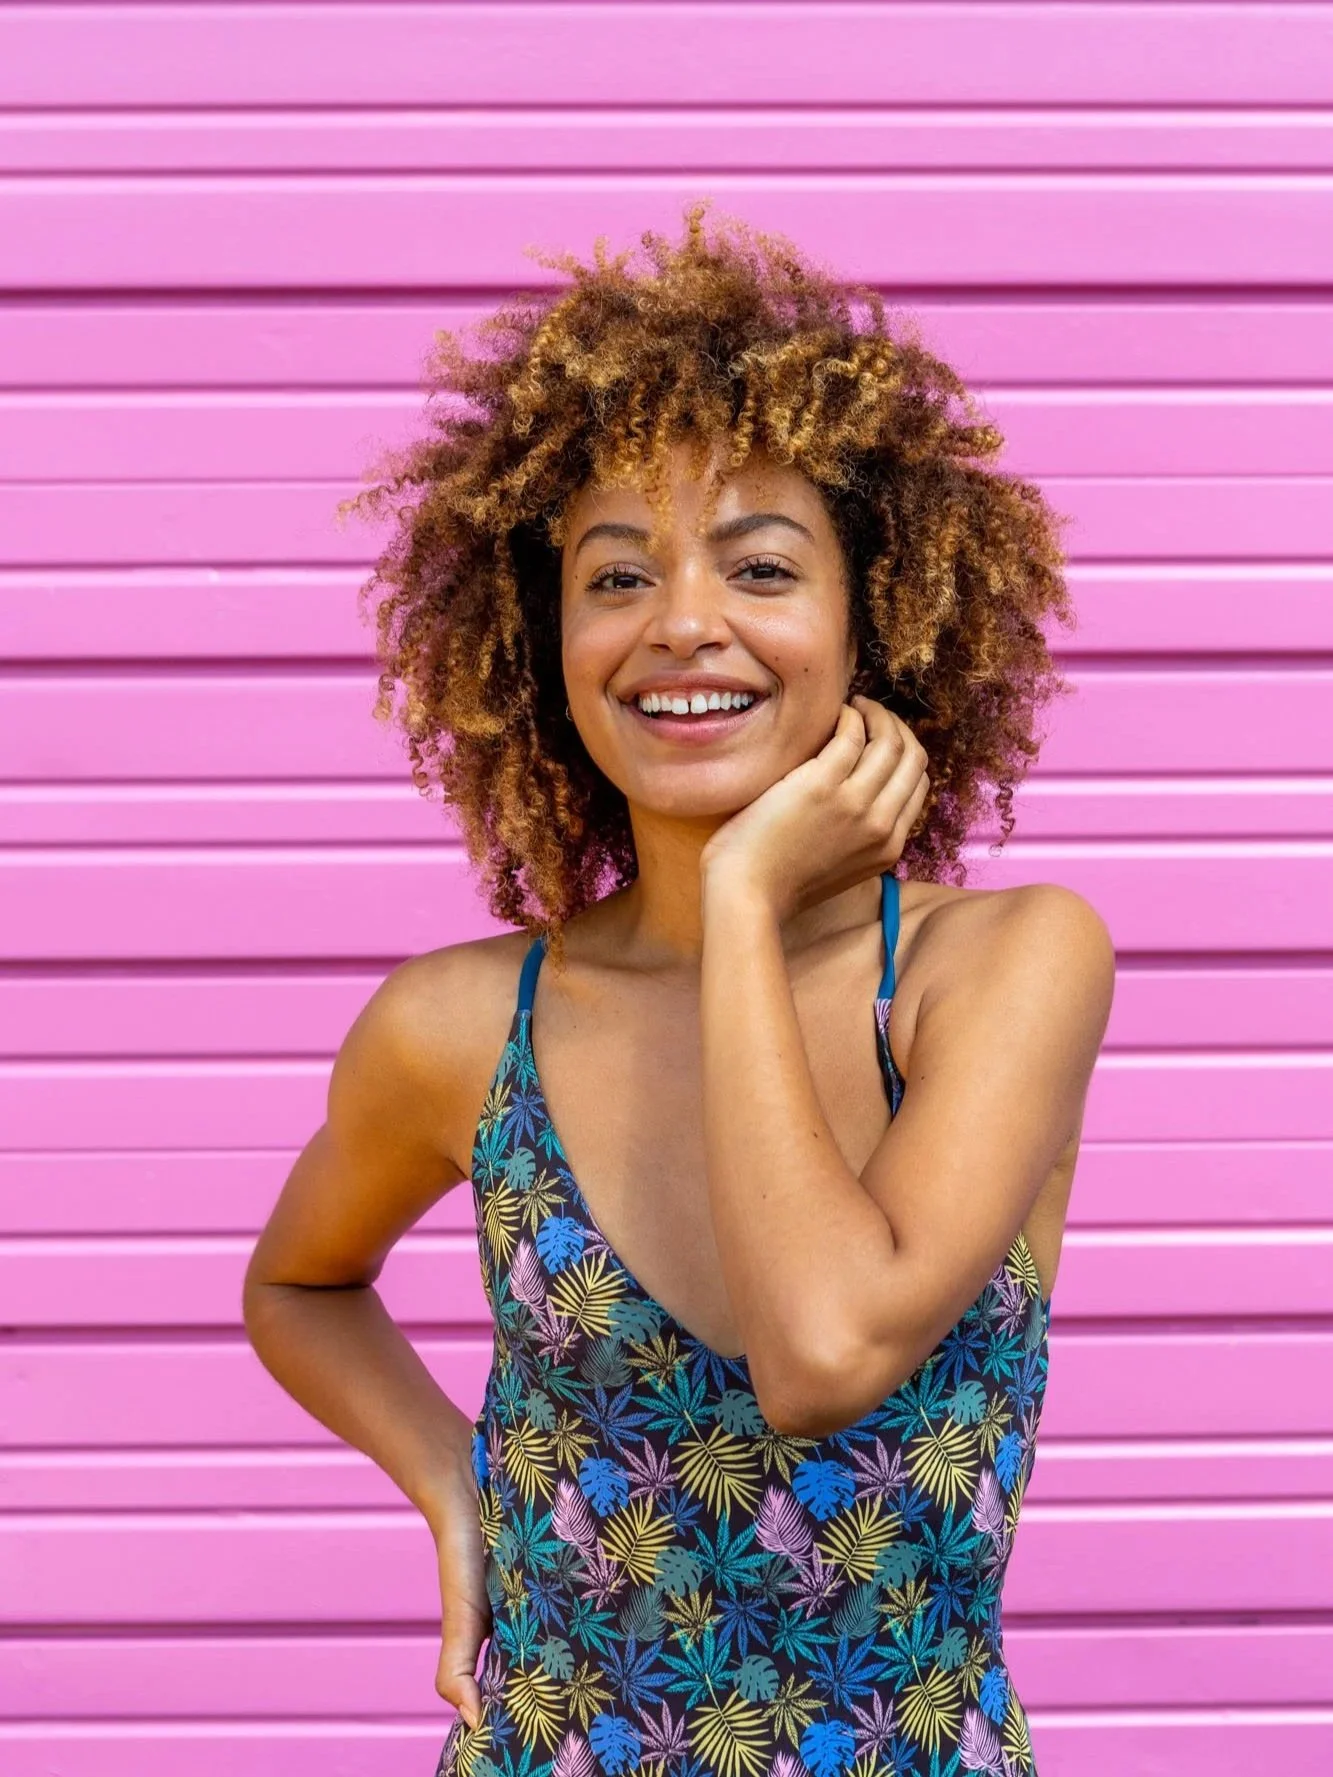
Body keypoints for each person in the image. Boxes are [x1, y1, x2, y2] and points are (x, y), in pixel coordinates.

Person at [243, 204, 1115, 1777]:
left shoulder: (1006, 968)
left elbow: (822, 1354)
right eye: (616, 575)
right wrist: (457, 1478)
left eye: (760, 565)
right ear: (544, 638)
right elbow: (299, 1285)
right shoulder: (457, 1028)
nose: (682, 623)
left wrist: (742, 901)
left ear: (876, 619)